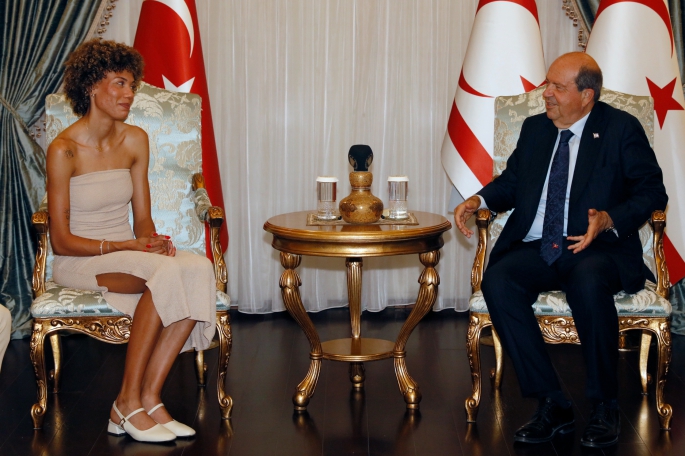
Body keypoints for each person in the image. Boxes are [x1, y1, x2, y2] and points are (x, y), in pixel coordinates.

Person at [454, 52, 667, 449]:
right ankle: (552, 402)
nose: (546, 94)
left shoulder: (620, 128)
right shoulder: (536, 128)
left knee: (587, 280)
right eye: (546, 84)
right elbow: (512, 182)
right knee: (499, 281)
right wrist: (478, 200)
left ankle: (604, 405)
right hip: (540, 244)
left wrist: (609, 218)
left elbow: (652, 191)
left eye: (557, 87)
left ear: (587, 95)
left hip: (596, 248)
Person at [46, 39, 217, 443]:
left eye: (132, 85)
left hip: (127, 254)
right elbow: (61, 241)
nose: (129, 94)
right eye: (119, 84)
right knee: (163, 274)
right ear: (92, 86)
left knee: (197, 268)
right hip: (81, 260)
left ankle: (150, 399)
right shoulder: (64, 150)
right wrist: (125, 248)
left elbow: (142, 219)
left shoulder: (135, 139)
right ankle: (124, 403)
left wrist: (150, 241)